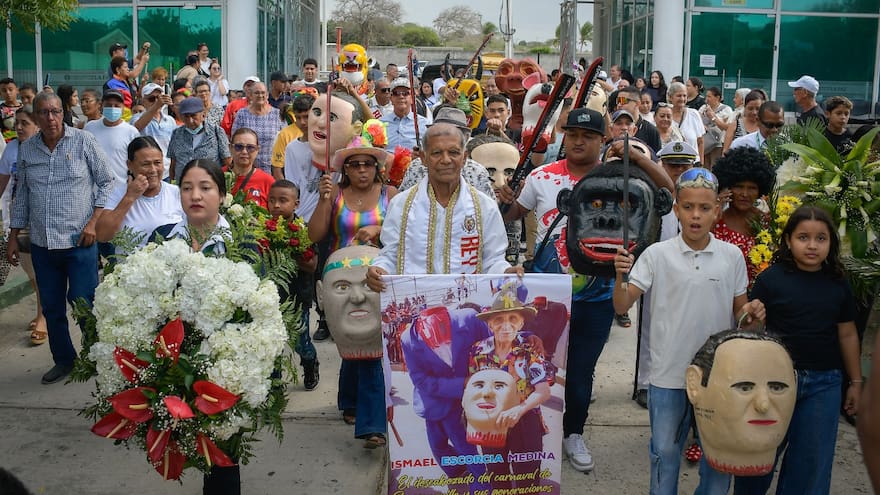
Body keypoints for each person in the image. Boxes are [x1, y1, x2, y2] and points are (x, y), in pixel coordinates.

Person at [499, 108, 673, 473]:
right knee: (535, 368)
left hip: (598, 296)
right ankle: (532, 433)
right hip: (547, 295)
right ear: (565, 136)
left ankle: (573, 432)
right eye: (573, 134)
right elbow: (514, 213)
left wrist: (636, 157)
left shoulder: (620, 178)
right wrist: (505, 199)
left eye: (588, 136)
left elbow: (668, 191)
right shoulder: (541, 176)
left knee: (580, 373)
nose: (579, 141)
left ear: (601, 140)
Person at [612, 167, 765, 495]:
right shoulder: (656, 255)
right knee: (664, 451)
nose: (696, 216)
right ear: (677, 209)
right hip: (668, 375)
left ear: (716, 210)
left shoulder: (732, 256)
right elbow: (622, 305)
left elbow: (740, 310)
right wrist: (621, 275)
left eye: (705, 208)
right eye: (689, 207)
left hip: (718, 377)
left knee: (717, 455)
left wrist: (750, 314)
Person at [733, 205, 861, 495]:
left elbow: (848, 334)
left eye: (821, 238)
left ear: (831, 243)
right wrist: (751, 317)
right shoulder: (770, 280)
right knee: (758, 457)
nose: (812, 245)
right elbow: (751, 332)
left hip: (823, 384)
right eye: (803, 237)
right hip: (772, 384)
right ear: (789, 240)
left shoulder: (838, 283)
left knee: (810, 464)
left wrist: (855, 382)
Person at [6, 92, 114, 384]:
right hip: (43, 244)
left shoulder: (84, 142)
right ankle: (64, 360)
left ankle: (95, 358)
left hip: (80, 242)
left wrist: (93, 223)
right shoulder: (27, 150)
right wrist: (13, 235)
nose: (51, 118)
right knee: (52, 307)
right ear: (36, 117)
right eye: (44, 113)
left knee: (83, 303)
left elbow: (107, 181)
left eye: (55, 111)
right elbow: (23, 195)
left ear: (63, 112)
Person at [309, 138, 397, 426]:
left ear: (377, 168)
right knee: (349, 338)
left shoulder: (391, 195)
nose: (361, 170)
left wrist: (380, 228)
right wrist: (323, 200)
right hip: (341, 277)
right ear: (345, 169)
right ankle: (350, 399)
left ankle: (369, 419)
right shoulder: (334, 193)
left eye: (367, 164)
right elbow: (315, 234)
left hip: (377, 277)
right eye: (354, 164)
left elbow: (405, 231)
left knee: (372, 342)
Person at [366, 122, 518, 287]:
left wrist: (505, 272)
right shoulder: (401, 205)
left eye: (453, 152)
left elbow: (493, 260)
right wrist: (380, 269)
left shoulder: (484, 206)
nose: (446, 160)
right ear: (423, 158)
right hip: (415, 304)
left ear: (464, 158)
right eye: (437, 153)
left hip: (466, 306)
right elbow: (390, 255)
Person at [468, 289, 554, 488]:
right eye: (498, 320)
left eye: (512, 318)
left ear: (521, 322)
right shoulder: (478, 350)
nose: (506, 326)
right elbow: (473, 384)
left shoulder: (530, 348)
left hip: (525, 420)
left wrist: (519, 409)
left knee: (528, 479)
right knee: (497, 477)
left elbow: (543, 391)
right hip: (491, 422)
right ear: (490, 324)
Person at [317, 244, 388, 448]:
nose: (357, 297)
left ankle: (367, 421)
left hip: (376, 265)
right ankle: (356, 409)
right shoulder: (332, 209)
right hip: (337, 261)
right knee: (354, 355)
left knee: (367, 358)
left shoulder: (391, 212)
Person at [267, 180, 320, 391]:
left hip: (298, 297)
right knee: (272, 344)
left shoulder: (304, 230)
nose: (276, 206)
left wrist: (288, 246)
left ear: (296, 204)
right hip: (270, 298)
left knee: (301, 341)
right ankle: (275, 380)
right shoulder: (264, 228)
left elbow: (312, 265)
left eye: (282, 200)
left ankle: (310, 362)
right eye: (272, 201)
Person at [0, 105, 46, 344]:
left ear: (37, 125)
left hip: (42, 217)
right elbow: (3, 184)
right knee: (29, 269)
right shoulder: (10, 149)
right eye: (16, 122)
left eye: (24, 123)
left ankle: (42, 317)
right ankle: (44, 310)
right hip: (19, 218)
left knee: (40, 270)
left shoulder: (44, 148)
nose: (18, 127)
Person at [95, 136, 183, 250]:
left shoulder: (176, 193)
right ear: (130, 165)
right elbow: (102, 235)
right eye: (145, 164)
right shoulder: (117, 194)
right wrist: (130, 197)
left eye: (157, 163)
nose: (153, 170)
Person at [712, 147, 775, 285]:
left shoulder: (766, 222)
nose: (745, 194)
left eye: (752, 188)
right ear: (727, 188)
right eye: (739, 186)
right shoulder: (716, 222)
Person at [153, 159, 231, 254]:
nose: (195, 196)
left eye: (205, 188)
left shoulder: (240, 242)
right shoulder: (161, 236)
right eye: (187, 188)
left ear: (222, 195)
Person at [167, 97, 231, 183]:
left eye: (193, 116)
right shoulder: (176, 134)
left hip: (209, 186)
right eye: (186, 116)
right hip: (183, 187)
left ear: (203, 115)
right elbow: (173, 164)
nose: (190, 120)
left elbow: (228, 162)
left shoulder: (216, 132)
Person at [84, 90, 141, 182]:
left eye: (117, 106)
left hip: (122, 189)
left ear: (123, 108)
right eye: (108, 105)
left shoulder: (131, 132)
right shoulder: (90, 128)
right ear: (101, 106)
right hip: (95, 190)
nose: (112, 108)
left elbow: (137, 161)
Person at [231, 82, 282, 174]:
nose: (260, 95)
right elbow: (235, 140)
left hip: (272, 168)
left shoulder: (277, 114)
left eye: (263, 93)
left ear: (267, 95)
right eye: (257, 93)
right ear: (250, 95)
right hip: (247, 168)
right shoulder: (242, 114)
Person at [130, 83, 177, 179]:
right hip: (145, 172)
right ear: (143, 101)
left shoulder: (170, 120)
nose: (156, 101)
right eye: (152, 99)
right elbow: (137, 127)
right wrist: (156, 106)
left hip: (166, 171)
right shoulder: (136, 118)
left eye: (159, 98)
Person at [225, 128, 275, 208]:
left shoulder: (267, 181)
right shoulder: (217, 176)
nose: (244, 151)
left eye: (250, 147)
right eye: (239, 147)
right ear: (230, 148)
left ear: (257, 150)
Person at [271, 93, 314, 180]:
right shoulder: (285, 135)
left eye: (307, 117)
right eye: (298, 118)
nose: (302, 122)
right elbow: (277, 168)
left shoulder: (326, 137)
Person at [379, 78, 426, 150]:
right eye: (396, 93)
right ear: (391, 98)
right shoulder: (380, 124)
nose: (401, 96)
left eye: (406, 93)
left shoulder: (424, 124)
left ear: (412, 98)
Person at [668, 81, 706, 164]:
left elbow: (700, 142)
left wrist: (701, 164)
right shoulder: (665, 116)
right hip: (671, 164)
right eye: (679, 96)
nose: (682, 99)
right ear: (671, 97)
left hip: (693, 163)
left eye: (684, 96)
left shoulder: (694, 114)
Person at [616, 86, 661, 152]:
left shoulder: (650, 130)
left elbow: (657, 159)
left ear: (637, 103)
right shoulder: (613, 126)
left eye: (623, 101)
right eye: (618, 101)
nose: (619, 105)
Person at [698, 87, 734, 168]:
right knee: (705, 165)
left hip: (717, 142)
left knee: (715, 165)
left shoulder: (726, 109)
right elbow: (697, 120)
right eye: (706, 96)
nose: (707, 99)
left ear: (717, 97)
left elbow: (726, 127)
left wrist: (713, 117)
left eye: (709, 96)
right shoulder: (703, 108)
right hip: (705, 141)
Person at [0, 78, 21, 142]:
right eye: (4, 90)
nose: (8, 93)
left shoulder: (25, 108)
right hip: (7, 146)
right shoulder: (0, 110)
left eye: (11, 89)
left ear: (17, 90)